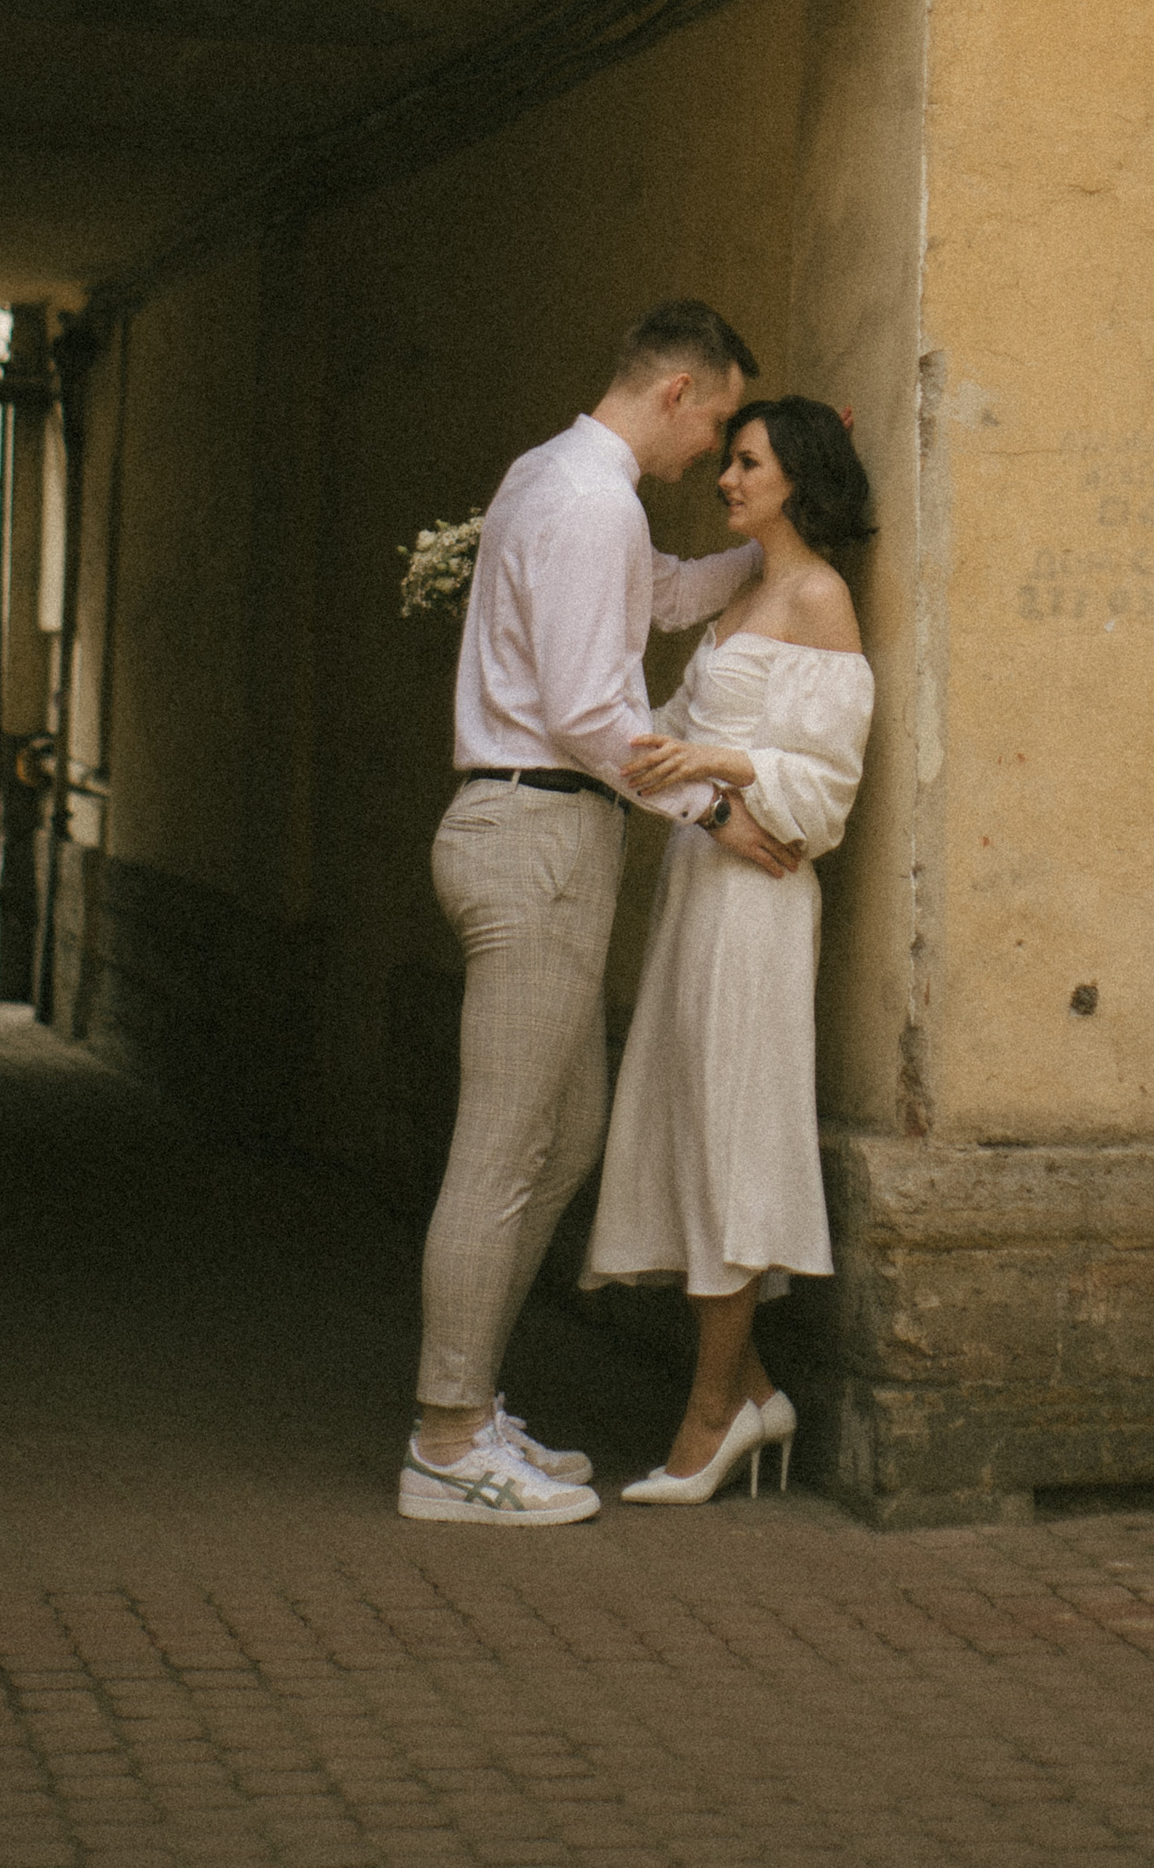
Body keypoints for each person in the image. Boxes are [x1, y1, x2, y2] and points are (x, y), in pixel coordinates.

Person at [401, 300, 802, 1530]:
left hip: (532, 832)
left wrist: (777, 540)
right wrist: (712, 810)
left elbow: (663, 597)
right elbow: (586, 713)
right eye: (717, 420)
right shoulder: (591, 502)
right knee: (502, 1150)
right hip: (537, 838)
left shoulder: (555, 476)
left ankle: (471, 1407)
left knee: (563, 1137)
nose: (714, 451)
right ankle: (445, 1442)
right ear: (677, 392)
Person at [583, 394, 876, 1502]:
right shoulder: (746, 592)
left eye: (749, 462)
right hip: (698, 883)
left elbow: (831, 781)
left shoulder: (818, 595)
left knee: (734, 1128)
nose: (727, 477)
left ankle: (710, 1419)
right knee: (692, 1120)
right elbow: (664, 737)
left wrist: (714, 761)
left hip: (760, 897)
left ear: (797, 477)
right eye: (730, 459)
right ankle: (751, 1396)